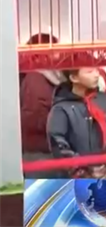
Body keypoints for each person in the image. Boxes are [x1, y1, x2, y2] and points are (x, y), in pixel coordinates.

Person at [47, 67, 106, 178]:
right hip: (77, 180)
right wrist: (85, 173)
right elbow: (59, 146)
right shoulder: (61, 108)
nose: (96, 75)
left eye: (97, 70)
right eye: (89, 72)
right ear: (74, 78)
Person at [20, 33, 67, 177]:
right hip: (41, 153)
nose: (60, 55)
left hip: (47, 149)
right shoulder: (36, 80)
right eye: (55, 50)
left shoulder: (49, 77)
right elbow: (34, 119)